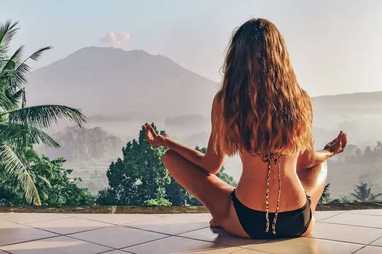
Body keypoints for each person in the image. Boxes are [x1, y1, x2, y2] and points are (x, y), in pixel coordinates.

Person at [143, 18, 347, 239]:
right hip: (299, 221)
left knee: (171, 157)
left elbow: (210, 166)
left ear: (236, 57)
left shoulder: (225, 102)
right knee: (320, 165)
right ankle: (302, 212)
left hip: (246, 222)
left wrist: (168, 142)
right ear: (280, 55)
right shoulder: (300, 99)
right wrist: (329, 151)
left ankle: (223, 215)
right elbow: (306, 162)